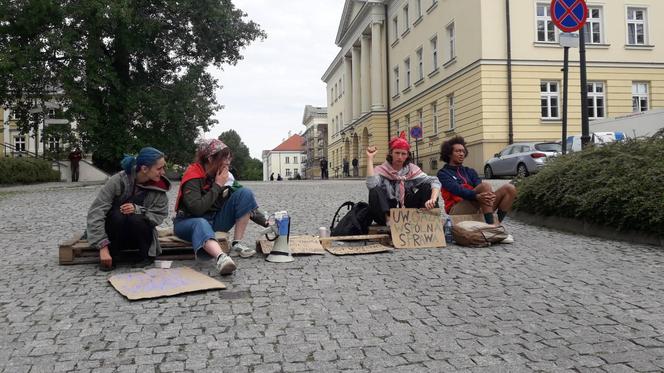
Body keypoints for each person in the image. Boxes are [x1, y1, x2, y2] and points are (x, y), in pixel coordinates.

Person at [173, 139, 268, 275]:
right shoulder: (193, 175)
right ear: (211, 158)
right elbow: (197, 209)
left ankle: (237, 243)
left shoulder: (225, 176)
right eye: (224, 158)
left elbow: (246, 202)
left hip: (213, 220)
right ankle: (221, 258)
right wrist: (218, 185)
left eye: (229, 158)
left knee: (245, 193)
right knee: (201, 222)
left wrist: (266, 222)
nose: (228, 163)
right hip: (189, 223)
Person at [86, 147, 170, 271]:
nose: (163, 172)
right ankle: (112, 255)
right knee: (118, 214)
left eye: (164, 168)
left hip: (139, 238)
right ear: (144, 169)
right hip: (114, 236)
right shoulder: (118, 181)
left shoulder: (160, 189)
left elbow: (159, 215)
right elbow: (96, 212)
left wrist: (139, 210)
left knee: (136, 218)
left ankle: (145, 256)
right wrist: (102, 247)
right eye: (159, 168)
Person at [437, 136, 517, 226]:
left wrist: (490, 195)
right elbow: (457, 190)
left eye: (463, 151)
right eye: (458, 151)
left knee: (510, 188)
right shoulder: (443, 173)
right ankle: (491, 227)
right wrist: (476, 196)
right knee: (485, 186)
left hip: (479, 204)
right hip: (457, 209)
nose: (461, 154)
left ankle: (496, 223)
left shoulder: (470, 171)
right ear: (449, 154)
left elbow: (479, 185)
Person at [366, 132, 441, 226]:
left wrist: (433, 199)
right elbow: (371, 185)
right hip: (386, 210)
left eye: (403, 154)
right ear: (391, 153)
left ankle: (429, 219)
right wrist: (370, 159)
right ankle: (389, 221)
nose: (400, 157)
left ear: (407, 155)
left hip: (407, 209)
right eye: (397, 153)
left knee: (427, 187)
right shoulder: (381, 170)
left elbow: (434, 180)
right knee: (375, 190)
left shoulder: (411, 169)